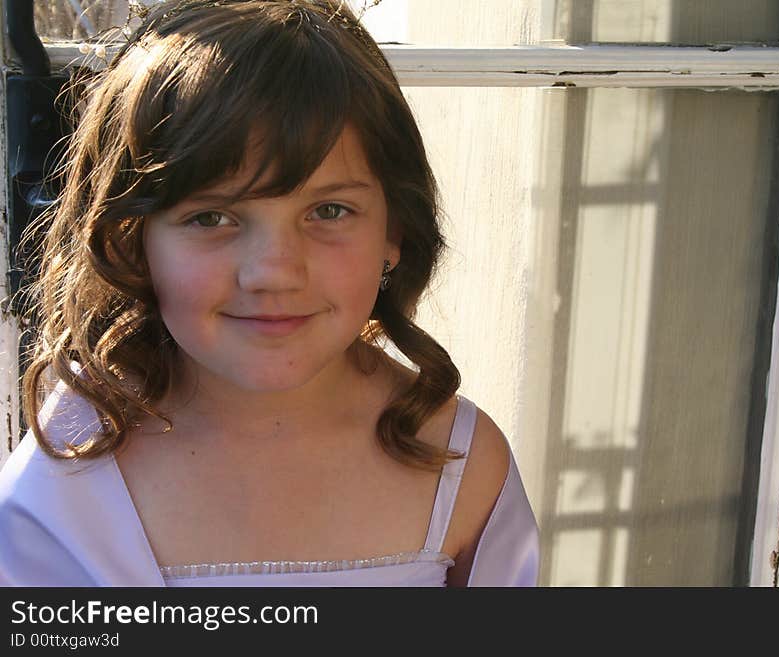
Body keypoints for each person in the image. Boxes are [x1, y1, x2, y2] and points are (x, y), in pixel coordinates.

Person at [0, 0, 539, 587]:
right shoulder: (73, 471)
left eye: (329, 211)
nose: (275, 272)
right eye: (212, 218)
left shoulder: (459, 462)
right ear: (132, 243)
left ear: (395, 232)